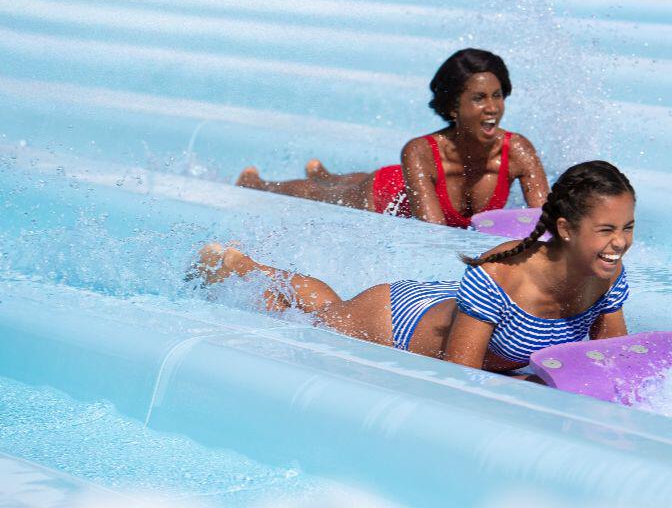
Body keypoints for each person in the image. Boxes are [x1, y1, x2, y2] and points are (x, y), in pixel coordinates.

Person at [195, 161, 634, 371]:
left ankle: (244, 265)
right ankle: (237, 266)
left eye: (628, 228)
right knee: (309, 316)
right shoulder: (501, 274)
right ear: (565, 229)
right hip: (395, 322)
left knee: (322, 308)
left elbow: (613, 361)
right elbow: (457, 373)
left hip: (452, 306)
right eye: (606, 229)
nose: (619, 244)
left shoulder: (605, 274)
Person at [235, 48, 549, 228]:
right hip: (384, 197)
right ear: (453, 106)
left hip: (414, 183)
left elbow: (546, 224)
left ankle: (325, 173)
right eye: (479, 99)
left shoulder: (517, 151)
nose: (493, 108)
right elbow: (433, 236)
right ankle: (261, 184)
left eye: (497, 96)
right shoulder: (420, 152)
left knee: (340, 180)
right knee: (325, 194)